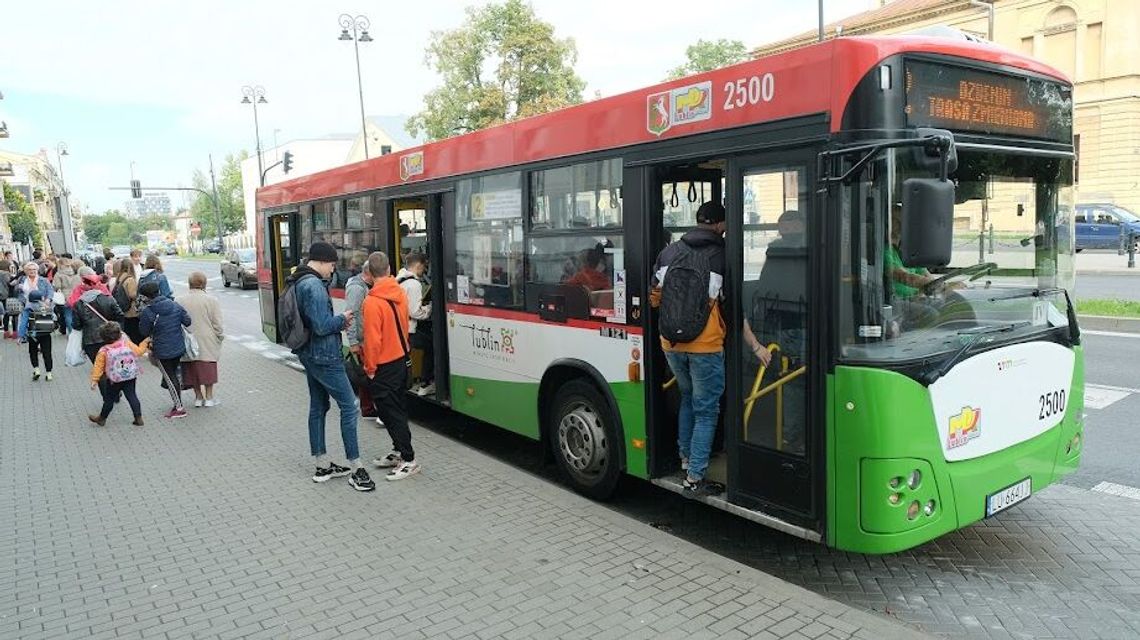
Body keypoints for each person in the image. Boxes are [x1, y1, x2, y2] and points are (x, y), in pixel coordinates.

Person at [650, 201, 759, 496]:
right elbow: (732, 310)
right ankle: (695, 478)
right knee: (707, 411)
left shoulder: (668, 252)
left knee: (687, 397)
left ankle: (686, 460)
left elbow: (654, 299)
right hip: (705, 347)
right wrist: (755, 345)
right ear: (721, 225)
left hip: (670, 344)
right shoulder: (723, 256)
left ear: (697, 220)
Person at [288, 241, 374, 491]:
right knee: (350, 406)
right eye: (332, 265)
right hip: (325, 356)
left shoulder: (299, 279)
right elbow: (322, 326)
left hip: (309, 354)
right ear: (323, 261)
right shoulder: (313, 285)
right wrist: (342, 320)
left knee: (318, 406)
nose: (332, 270)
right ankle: (356, 467)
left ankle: (322, 464)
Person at [361, 251, 421, 481]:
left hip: (384, 365)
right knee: (397, 408)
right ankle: (398, 451)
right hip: (400, 359)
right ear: (388, 270)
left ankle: (408, 459)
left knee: (390, 412)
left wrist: (370, 368)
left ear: (369, 273)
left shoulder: (373, 301)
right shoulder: (399, 292)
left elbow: (373, 341)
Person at [138, 280, 190, 419]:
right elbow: (188, 321)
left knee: (170, 377)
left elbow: (143, 331)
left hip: (161, 350)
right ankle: (177, 402)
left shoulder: (148, 312)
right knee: (172, 374)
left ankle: (179, 408)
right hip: (178, 346)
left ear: (146, 297)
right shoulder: (175, 305)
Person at [344, 251, 384, 427]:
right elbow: (351, 316)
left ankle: (368, 407)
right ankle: (368, 408)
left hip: (365, 338)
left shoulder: (363, 286)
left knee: (367, 374)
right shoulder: (357, 289)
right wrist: (353, 342)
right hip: (361, 340)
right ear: (368, 273)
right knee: (366, 374)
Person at [72, 270, 124, 398]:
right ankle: (116, 392)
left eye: (84, 283)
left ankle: (107, 397)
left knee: (99, 369)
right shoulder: (108, 299)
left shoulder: (79, 303)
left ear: (87, 285)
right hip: (111, 339)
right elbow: (120, 315)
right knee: (114, 365)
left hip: (91, 341)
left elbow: (76, 325)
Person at [87, 321, 149, 427]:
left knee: (109, 399)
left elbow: (98, 367)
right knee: (132, 396)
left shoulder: (104, 350)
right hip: (130, 376)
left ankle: (102, 418)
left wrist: (94, 380)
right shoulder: (127, 344)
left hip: (114, 380)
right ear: (120, 334)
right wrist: (145, 342)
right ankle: (138, 418)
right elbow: (139, 352)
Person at [179, 271, 225, 407]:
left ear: (189, 284)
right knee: (207, 367)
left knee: (192, 368)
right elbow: (217, 323)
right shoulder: (211, 300)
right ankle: (209, 397)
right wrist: (219, 337)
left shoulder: (179, 300)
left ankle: (198, 397)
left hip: (187, 339)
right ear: (204, 284)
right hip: (207, 339)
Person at [397, 252, 434, 396]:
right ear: (418, 265)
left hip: (399, 328)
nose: (424, 270)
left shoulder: (399, 278)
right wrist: (430, 307)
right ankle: (426, 382)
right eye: (424, 267)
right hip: (409, 330)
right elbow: (415, 312)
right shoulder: (414, 284)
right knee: (431, 345)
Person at [15, 261, 55, 342]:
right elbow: (16, 291)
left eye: (34, 269)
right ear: (26, 271)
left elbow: (50, 290)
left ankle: (42, 336)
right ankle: (23, 336)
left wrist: (48, 299)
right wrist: (18, 287)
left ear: (37, 270)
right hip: (26, 303)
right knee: (24, 320)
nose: (32, 271)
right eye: (29, 269)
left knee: (42, 320)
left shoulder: (43, 280)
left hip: (41, 304)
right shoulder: (22, 279)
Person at [23, 290, 55, 381]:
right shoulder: (46, 306)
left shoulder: (28, 307)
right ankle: (49, 373)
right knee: (47, 353)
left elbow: (23, 323)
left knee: (33, 351)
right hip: (46, 333)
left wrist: (21, 335)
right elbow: (54, 317)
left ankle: (36, 369)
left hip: (33, 334)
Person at [113, 259, 142, 343]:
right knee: (135, 332)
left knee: (128, 330)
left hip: (123, 307)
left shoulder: (120, 277)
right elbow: (132, 294)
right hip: (131, 310)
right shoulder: (130, 279)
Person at [53, 258, 81, 335]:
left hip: (65, 296)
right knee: (76, 314)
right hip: (76, 295)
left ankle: (71, 333)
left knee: (68, 315)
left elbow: (57, 286)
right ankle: (78, 332)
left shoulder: (58, 274)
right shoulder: (76, 273)